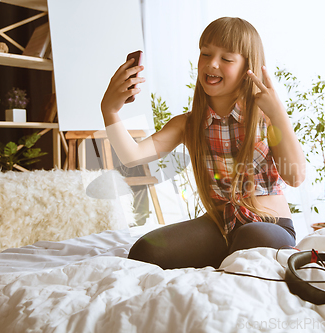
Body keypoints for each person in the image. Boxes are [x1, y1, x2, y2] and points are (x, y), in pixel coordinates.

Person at [101, 17, 306, 269]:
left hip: (269, 225)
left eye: (227, 59)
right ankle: (225, 257)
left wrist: (278, 114)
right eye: (206, 54)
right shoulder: (187, 125)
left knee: (251, 236)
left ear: (247, 67)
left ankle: (233, 258)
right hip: (219, 227)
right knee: (146, 251)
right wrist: (110, 110)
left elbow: (295, 177)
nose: (212, 64)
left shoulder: (265, 117)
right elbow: (132, 156)